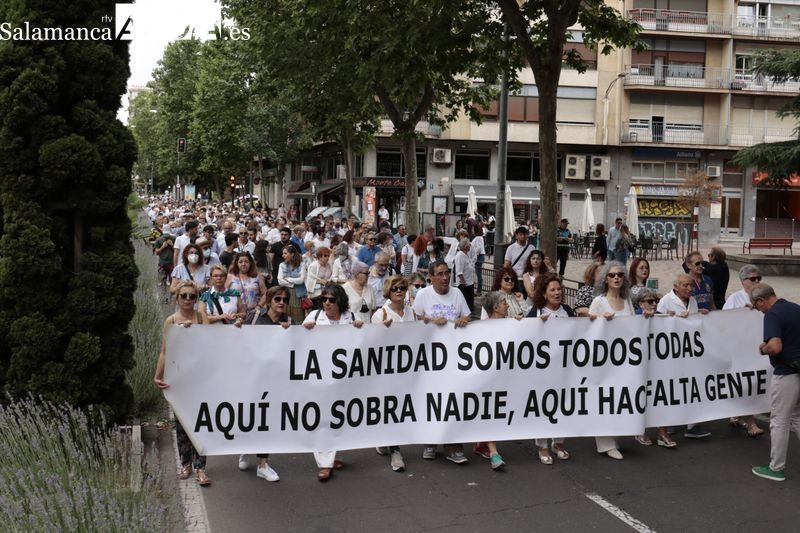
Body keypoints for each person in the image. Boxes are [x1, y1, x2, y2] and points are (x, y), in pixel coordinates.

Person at [303, 283, 364, 482]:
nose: (327, 303)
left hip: (344, 377)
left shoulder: (351, 317)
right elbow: (298, 342)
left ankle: (332, 456)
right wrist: (305, 330)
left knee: (339, 417)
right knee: (322, 418)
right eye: (324, 299)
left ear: (340, 300)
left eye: (331, 299)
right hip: (320, 376)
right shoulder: (313, 317)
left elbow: (366, 341)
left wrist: (359, 328)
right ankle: (324, 463)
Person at [412, 260, 471, 464]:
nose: (445, 277)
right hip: (430, 360)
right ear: (431, 277)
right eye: (440, 273)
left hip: (454, 359)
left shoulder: (457, 294)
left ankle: (454, 446)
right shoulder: (423, 295)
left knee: (453, 402)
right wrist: (429, 321)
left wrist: (465, 320)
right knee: (432, 401)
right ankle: (430, 443)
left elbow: (467, 315)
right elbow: (415, 321)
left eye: (447, 273)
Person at [153, 281, 211, 486]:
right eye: (184, 296)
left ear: (196, 299)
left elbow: (210, 344)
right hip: (179, 378)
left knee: (201, 423)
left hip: (199, 378)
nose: (188, 299)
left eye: (192, 296)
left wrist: (192, 331)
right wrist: (157, 375)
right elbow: (164, 351)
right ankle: (185, 464)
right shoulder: (171, 320)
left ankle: (201, 468)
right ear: (177, 298)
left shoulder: (200, 317)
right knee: (181, 424)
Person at [751, 284, 800, 482]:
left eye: (756, 306)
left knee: (779, 420)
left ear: (762, 300)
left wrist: (762, 349)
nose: (758, 309)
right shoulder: (795, 308)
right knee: (797, 416)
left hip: (786, 372)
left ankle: (776, 467)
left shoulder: (772, 315)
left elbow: (775, 346)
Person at [526, 273, 574, 464]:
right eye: (552, 290)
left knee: (562, 407)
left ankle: (558, 442)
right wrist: (537, 325)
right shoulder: (536, 311)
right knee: (542, 407)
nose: (557, 293)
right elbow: (524, 335)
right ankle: (543, 445)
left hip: (563, 371)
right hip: (542, 372)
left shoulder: (568, 311)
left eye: (559, 289)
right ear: (544, 294)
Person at [657, 274, 712, 440]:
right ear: (676, 286)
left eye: (691, 286)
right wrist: (667, 315)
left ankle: (692, 425)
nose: (690, 289)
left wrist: (700, 315)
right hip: (672, 352)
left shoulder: (693, 302)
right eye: (686, 286)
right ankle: (671, 422)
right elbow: (657, 324)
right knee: (673, 385)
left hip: (689, 351)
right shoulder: (666, 300)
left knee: (691, 386)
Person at [588, 261, 634, 460]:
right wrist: (599, 320)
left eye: (620, 275)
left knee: (620, 397)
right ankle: (605, 442)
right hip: (604, 359)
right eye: (612, 275)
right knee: (605, 398)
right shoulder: (599, 301)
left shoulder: (627, 301)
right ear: (605, 279)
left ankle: (615, 437)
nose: (616, 278)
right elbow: (587, 327)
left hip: (625, 358)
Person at [371, 275, 415, 472]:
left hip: (408, 368)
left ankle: (384, 438)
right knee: (390, 407)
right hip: (387, 370)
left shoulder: (411, 312)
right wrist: (382, 330)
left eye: (402, 288)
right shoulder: (381, 313)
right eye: (395, 288)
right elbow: (371, 342)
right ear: (389, 291)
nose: (399, 291)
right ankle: (395, 450)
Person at [723, 265, 766, 437]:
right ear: (743, 281)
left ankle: (742, 417)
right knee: (745, 384)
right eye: (752, 279)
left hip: (760, 349)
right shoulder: (735, 298)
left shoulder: (765, 297)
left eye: (758, 278)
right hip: (740, 349)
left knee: (755, 385)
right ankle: (749, 421)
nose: (756, 282)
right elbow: (723, 321)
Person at [631, 288, 675, 448]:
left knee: (662, 396)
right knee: (641, 397)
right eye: (650, 301)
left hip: (659, 364)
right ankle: (639, 430)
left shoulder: (661, 316)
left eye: (655, 301)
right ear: (641, 304)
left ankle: (662, 433)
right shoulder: (634, 317)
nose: (654, 304)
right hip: (640, 365)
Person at [472, 291, 508, 470]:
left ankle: (481, 443)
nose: (507, 305)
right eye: (503, 303)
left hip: (503, 377)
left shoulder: (513, 325)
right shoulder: (481, 328)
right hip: (487, 378)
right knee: (489, 410)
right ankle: (493, 451)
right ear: (495, 308)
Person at [227, 252, 267, 321]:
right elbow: (223, 293)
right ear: (237, 263)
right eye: (241, 262)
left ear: (250, 263)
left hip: (254, 314)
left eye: (246, 262)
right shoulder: (231, 276)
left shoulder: (257, 276)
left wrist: (259, 306)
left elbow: (265, 294)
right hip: (235, 314)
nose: (243, 264)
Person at [277, 244, 308, 323]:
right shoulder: (282, 265)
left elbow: (301, 280)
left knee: (298, 318)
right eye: (283, 253)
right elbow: (280, 281)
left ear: (292, 254)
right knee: (285, 317)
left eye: (285, 253)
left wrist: (288, 279)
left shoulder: (302, 264)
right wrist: (293, 284)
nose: (283, 255)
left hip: (298, 295)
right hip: (286, 294)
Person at [503, 227, 533, 292]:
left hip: (529, 279)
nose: (523, 236)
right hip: (516, 279)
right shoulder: (511, 248)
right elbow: (506, 265)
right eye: (520, 234)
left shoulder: (532, 248)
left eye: (525, 234)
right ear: (516, 236)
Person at [453, 238, 475, 312]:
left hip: (469, 283)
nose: (470, 245)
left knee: (470, 303)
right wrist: (463, 282)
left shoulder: (466, 255)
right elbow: (459, 272)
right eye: (469, 244)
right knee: (465, 304)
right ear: (465, 246)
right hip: (464, 285)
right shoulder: (460, 256)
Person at [472, 224, 486, 292]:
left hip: (479, 257)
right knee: (478, 274)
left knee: (479, 274)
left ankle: (479, 290)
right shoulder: (480, 237)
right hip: (480, 256)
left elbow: (478, 248)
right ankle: (479, 289)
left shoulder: (478, 238)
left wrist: (475, 256)